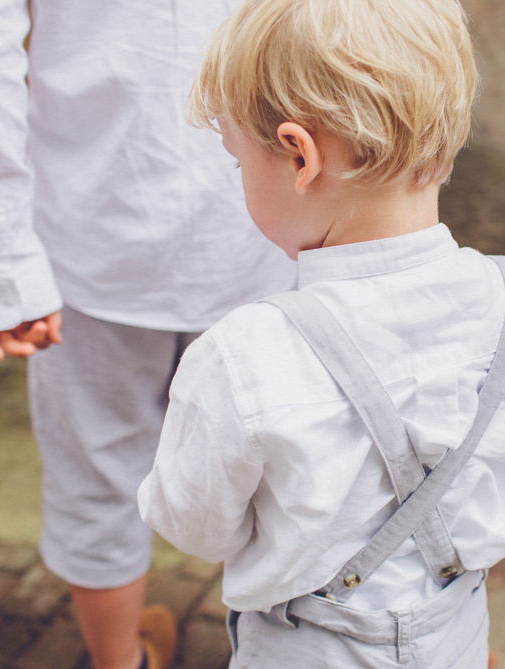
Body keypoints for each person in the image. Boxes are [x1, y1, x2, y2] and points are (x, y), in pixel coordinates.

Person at [137, 0, 498, 665]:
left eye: (236, 160)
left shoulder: (243, 355)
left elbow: (193, 524)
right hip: (458, 636)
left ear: (299, 156)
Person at [0, 2, 297, 668]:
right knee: (287, 476)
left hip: (94, 216)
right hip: (264, 215)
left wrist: (13, 255)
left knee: (97, 476)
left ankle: (122, 661)